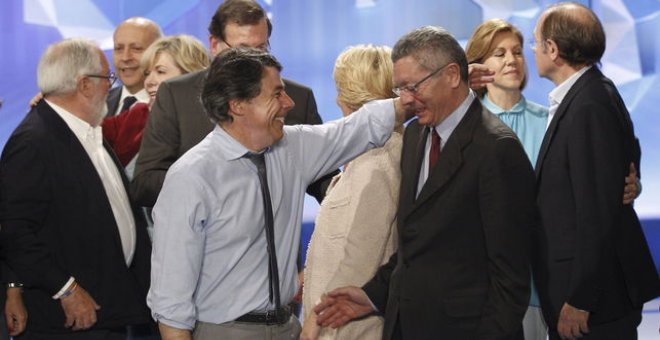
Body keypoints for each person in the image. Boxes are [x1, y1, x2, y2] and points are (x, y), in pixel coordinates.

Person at [147, 47, 405, 340]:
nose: (289, 103)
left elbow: (358, 127)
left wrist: (412, 98)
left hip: (288, 328)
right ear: (238, 105)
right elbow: (171, 296)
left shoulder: (292, 148)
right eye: (277, 94)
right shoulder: (191, 176)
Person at [314, 26, 536, 339]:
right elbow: (415, 246)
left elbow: (509, 278)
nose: (405, 100)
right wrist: (370, 296)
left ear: (452, 75)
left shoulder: (496, 149)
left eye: (412, 87)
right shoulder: (417, 136)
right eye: (399, 89)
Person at [0, 38, 152, 339]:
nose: (110, 88)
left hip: (109, 309)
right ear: (84, 84)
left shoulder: (86, 130)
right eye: (107, 79)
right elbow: (15, 231)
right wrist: (65, 289)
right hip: (71, 320)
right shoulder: (34, 142)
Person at [530, 3, 659, 339]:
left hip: (593, 305)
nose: (533, 50)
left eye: (535, 42)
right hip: (595, 296)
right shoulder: (595, 92)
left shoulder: (588, 105)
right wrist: (632, 179)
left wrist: (581, 298)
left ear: (553, 49)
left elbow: (596, 211)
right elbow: (629, 152)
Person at [132, 0, 333, 208]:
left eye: (261, 48)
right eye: (242, 50)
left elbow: (323, 173)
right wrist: (212, 188)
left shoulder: (296, 99)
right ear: (214, 45)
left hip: (278, 238)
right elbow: (145, 183)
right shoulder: (175, 95)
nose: (255, 60)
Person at [300, 45, 400, 340]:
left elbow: (361, 254)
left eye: (340, 88)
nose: (336, 98)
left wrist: (314, 322)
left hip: (349, 328)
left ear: (352, 95)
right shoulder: (366, 153)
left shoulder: (380, 157)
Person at [102, 34, 209, 173]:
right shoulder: (138, 114)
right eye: (147, 73)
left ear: (189, 76)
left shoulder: (212, 124)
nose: (149, 81)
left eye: (160, 71)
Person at [107, 17, 162, 116]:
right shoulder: (98, 103)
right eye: (119, 49)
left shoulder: (175, 106)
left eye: (136, 49)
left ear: (158, 53)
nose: (125, 57)